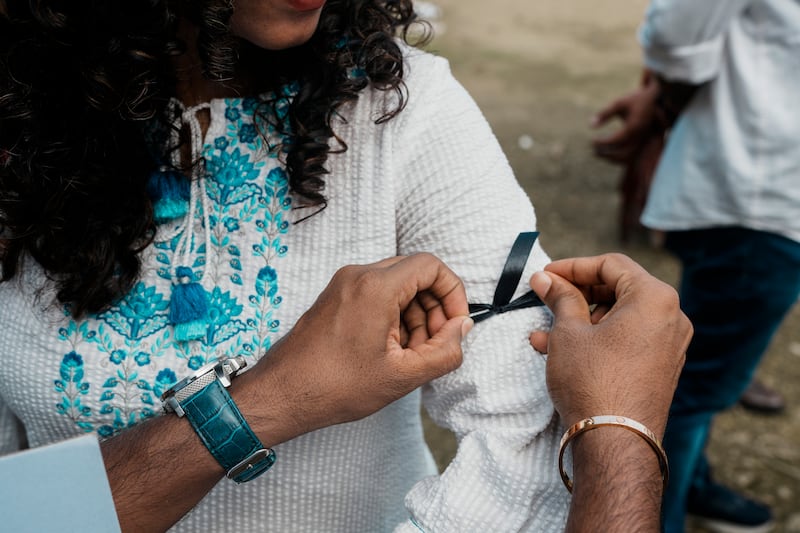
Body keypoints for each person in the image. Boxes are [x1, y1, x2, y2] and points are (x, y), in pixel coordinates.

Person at [0, 1, 689, 531]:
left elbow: (522, 434)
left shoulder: (405, 111)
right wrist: (269, 397)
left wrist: (617, 427)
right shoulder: (17, 135)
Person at [592, 1, 800, 531]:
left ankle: (691, 484)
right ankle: (659, 513)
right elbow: (680, 35)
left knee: (696, 373)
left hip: (764, 193)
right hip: (754, 199)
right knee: (685, 390)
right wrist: (662, 93)